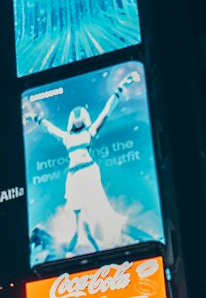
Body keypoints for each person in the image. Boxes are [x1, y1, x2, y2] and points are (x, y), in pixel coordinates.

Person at [26, 69, 141, 255]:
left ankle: (93, 239)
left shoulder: (89, 132)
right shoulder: (67, 137)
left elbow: (106, 111)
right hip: (73, 175)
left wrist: (121, 87)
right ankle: (81, 238)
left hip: (88, 172)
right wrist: (37, 119)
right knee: (77, 210)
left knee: (93, 206)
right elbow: (51, 128)